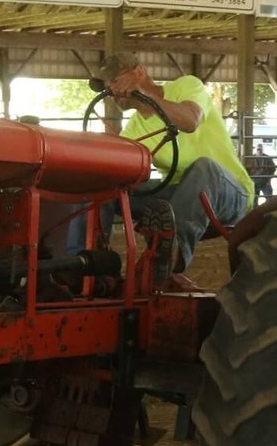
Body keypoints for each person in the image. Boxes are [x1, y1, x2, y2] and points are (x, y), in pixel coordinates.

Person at [94, 53, 253, 279]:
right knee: (106, 185)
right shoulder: (133, 131)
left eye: (116, 80)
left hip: (228, 193)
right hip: (177, 198)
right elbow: (125, 172)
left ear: (139, 72)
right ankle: (91, 264)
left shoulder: (186, 86)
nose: (111, 90)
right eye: (107, 86)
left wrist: (145, 95)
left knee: (203, 167)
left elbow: (190, 121)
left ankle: (171, 252)